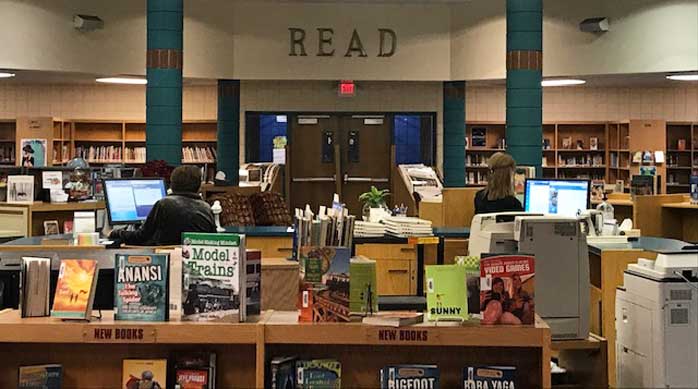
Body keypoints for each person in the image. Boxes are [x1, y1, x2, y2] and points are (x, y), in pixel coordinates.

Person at [108, 165, 216, 246]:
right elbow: (213, 240)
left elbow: (141, 236)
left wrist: (117, 233)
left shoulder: (164, 204)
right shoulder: (206, 208)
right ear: (198, 187)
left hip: (165, 261)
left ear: (172, 184)